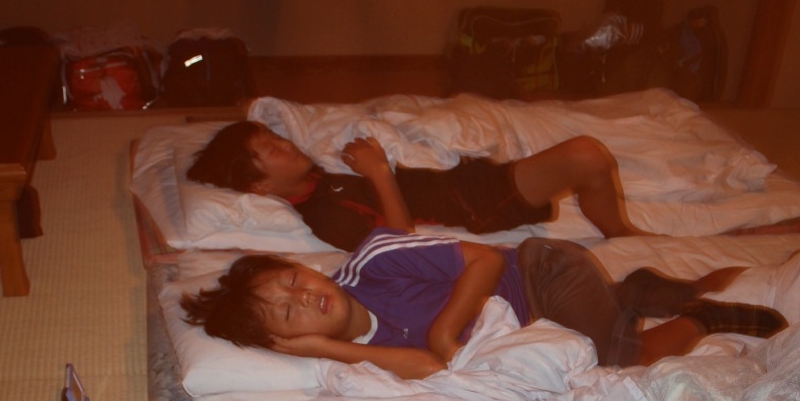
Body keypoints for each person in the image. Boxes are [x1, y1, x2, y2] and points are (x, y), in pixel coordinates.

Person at [180, 228, 788, 380]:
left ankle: (703, 317)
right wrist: (324, 348)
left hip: (543, 275)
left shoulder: (374, 261)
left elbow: (487, 261)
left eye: (292, 279)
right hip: (542, 326)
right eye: (290, 314)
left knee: (621, 367)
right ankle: (630, 293)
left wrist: (445, 325)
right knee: (576, 360)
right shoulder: (358, 356)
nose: (305, 295)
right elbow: (431, 368)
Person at [186, 121, 649, 251]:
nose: (286, 143)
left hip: (462, 179)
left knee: (587, 160)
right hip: (472, 204)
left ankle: (619, 233)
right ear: (261, 186)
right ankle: (622, 236)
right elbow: (398, 240)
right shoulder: (322, 215)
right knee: (586, 156)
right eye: (272, 149)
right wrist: (379, 172)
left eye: (277, 136)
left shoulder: (319, 175)